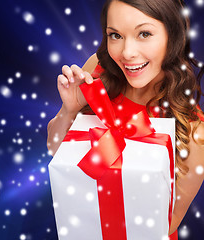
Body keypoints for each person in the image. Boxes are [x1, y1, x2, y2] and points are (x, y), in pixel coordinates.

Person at [47, 0, 204, 238]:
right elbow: (54, 149)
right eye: (115, 35)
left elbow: (165, 226)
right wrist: (69, 110)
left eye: (144, 34)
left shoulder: (195, 134)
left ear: (173, 36)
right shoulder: (96, 71)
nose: (127, 53)